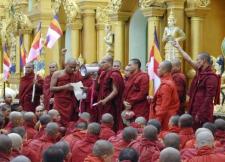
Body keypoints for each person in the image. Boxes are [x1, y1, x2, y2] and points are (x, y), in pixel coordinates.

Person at [173, 41, 220, 129]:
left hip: (203, 110)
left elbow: (209, 97)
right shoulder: (200, 71)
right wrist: (179, 48)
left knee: (200, 130)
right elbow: (189, 60)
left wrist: (201, 113)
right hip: (193, 106)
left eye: (198, 60)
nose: (196, 61)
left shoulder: (211, 77)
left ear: (204, 61)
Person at [95, 55, 124, 131]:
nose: (101, 64)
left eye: (103, 62)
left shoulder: (114, 74)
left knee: (110, 123)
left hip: (110, 104)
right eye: (101, 62)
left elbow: (115, 91)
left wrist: (105, 100)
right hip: (103, 103)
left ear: (110, 63)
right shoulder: (103, 74)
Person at [50, 58, 82, 126]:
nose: (73, 69)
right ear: (65, 65)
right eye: (71, 67)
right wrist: (65, 87)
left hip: (70, 102)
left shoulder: (75, 75)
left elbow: (79, 88)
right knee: (59, 121)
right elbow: (51, 88)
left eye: (74, 67)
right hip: (60, 102)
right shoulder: (57, 74)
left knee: (70, 122)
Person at [150, 61, 179, 130]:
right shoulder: (167, 81)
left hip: (165, 117)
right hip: (166, 114)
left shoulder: (166, 85)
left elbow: (164, 105)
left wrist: (158, 119)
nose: (157, 70)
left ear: (165, 70)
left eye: (159, 68)